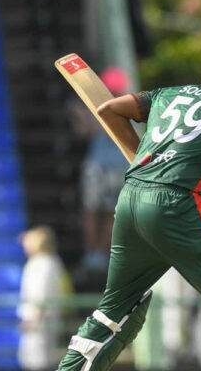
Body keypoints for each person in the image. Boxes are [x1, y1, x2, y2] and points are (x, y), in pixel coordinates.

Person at [56, 48, 201, 371]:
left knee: (114, 313)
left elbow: (108, 109)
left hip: (131, 198)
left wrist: (143, 159)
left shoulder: (168, 93)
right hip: (176, 206)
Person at [67, 67, 132, 271]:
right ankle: (97, 255)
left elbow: (88, 130)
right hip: (114, 164)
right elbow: (84, 132)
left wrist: (80, 114)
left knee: (95, 211)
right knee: (105, 212)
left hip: (102, 165)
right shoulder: (128, 104)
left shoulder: (107, 106)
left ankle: (95, 254)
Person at [18, 225, 72, 370]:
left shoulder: (42, 264)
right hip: (44, 321)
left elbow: (40, 296)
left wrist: (33, 320)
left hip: (39, 323)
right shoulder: (52, 261)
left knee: (38, 361)